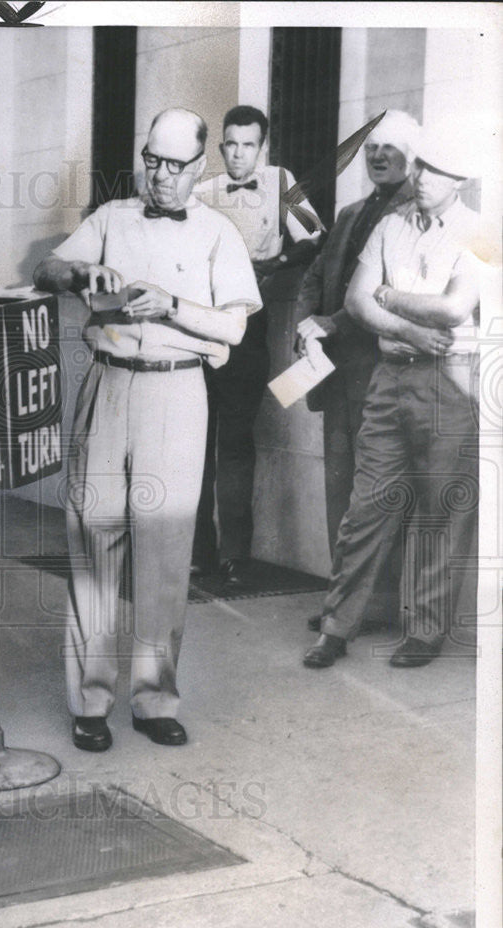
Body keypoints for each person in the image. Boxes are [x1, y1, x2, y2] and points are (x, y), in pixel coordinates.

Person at [33, 108, 261, 752]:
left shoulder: (219, 233)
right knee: (92, 534)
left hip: (178, 389)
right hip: (107, 384)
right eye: (152, 162)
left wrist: (172, 306)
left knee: (163, 550)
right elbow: (46, 271)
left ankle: (156, 698)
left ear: (199, 167)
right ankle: (90, 702)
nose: (161, 177)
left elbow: (234, 328)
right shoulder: (111, 219)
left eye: (175, 166)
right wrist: (84, 274)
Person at [303, 127, 482, 670]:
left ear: (463, 180)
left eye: (437, 170)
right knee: (366, 508)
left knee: (437, 513)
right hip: (390, 377)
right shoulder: (389, 224)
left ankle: (424, 632)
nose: (422, 178)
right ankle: (337, 627)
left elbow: (455, 310)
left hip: (448, 385)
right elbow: (356, 303)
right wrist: (405, 322)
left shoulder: (485, 231)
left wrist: (389, 294)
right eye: (421, 166)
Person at [295, 110, 420, 633]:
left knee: (380, 495)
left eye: (390, 148)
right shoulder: (347, 214)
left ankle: (383, 606)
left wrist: (331, 322)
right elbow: (316, 274)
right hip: (334, 375)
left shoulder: (415, 215)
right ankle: (341, 601)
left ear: (412, 156)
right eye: (371, 147)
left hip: (380, 376)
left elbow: (377, 290)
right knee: (340, 488)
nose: (377, 155)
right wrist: (305, 321)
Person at [193, 105, 323, 586]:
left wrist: (274, 263)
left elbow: (314, 235)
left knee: (235, 443)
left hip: (249, 329)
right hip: (199, 327)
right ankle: (199, 552)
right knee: (196, 443)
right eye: (231, 144)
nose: (239, 154)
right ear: (220, 145)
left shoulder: (281, 181)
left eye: (249, 145)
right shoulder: (202, 191)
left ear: (262, 148)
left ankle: (234, 556)